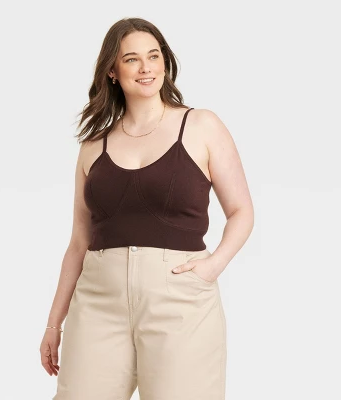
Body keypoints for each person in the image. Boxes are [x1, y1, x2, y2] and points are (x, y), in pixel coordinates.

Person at [40, 17, 254, 400]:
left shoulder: (201, 126)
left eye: (154, 56)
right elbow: (78, 242)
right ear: (112, 71)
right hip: (98, 301)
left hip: (180, 298)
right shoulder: (94, 145)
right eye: (132, 59)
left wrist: (212, 266)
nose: (146, 68)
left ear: (165, 62)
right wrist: (54, 323)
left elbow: (241, 211)